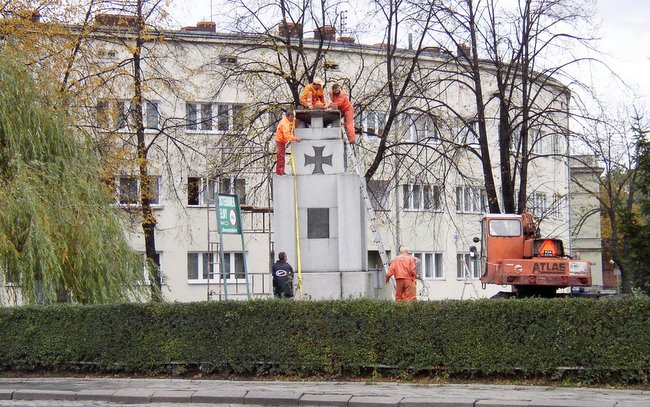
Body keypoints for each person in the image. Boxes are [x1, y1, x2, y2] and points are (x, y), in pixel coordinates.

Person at [275, 110, 301, 175]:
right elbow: (287, 136)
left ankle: (280, 171)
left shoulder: (287, 121)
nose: (292, 119)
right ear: (287, 116)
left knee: (281, 156)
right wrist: (295, 138)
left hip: (281, 140)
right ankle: (280, 172)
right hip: (280, 141)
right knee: (281, 156)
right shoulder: (285, 124)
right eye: (291, 117)